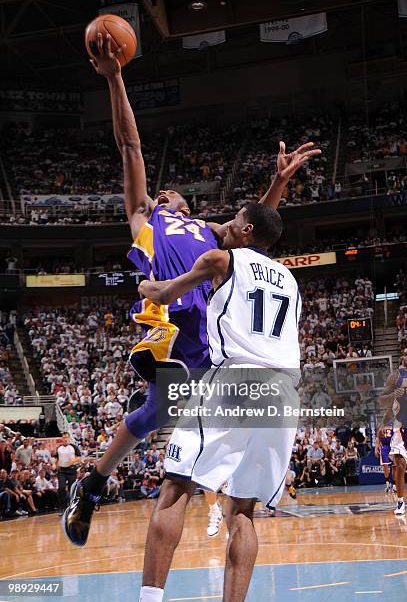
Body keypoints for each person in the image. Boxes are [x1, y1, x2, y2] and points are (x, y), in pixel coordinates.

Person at [63, 32, 320, 547]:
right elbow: (130, 146)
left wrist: (279, 186)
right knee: (161, 409)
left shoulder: (209, 231)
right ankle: (94, 486)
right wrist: (115, 77)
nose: (166, 191)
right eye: (163, 193)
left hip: (216, 338)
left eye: (174, 192)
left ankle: (92, 481)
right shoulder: (145, 221)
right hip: (175, 328)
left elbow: (254, 234)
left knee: (158, 411)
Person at [135, 203, 301, 602]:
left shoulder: (219, 259)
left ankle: (149, 598)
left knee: (176, 484)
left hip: (237, 379)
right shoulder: (291, 280)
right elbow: (229, 228)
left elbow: (162, 292)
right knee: (242, 510)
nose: (222, 227)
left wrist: (144, 287)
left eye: (232, 222)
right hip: (284, 392)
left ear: (245, 230)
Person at [379, 352, 407, 515]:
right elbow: (383, 400)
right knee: (400, 466)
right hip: (400, 427)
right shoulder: (395, 378)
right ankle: (400, 502)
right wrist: (383, 423)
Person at [56, 433, 81, 514]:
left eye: (67, 437)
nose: (65, 439)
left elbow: (79, 457)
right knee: (61, 488)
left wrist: (73, 460)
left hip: (71, 470)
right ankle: (62, 507)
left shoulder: (73, 447)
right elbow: (55, 457)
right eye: (64, 437)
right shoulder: (59, 448)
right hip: (62, 471)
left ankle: (72, 506)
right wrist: (54, 464)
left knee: (72, 489)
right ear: (62, 439)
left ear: (69, 438)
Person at [375, 426, 395, 492]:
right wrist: (376, 448)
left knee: (394, 467)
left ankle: (394, 485)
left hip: (393, 447)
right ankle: (388, 484)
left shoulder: (394, 427)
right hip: (385, 447)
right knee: (385, 466)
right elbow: (378, 439)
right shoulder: (381, 428)